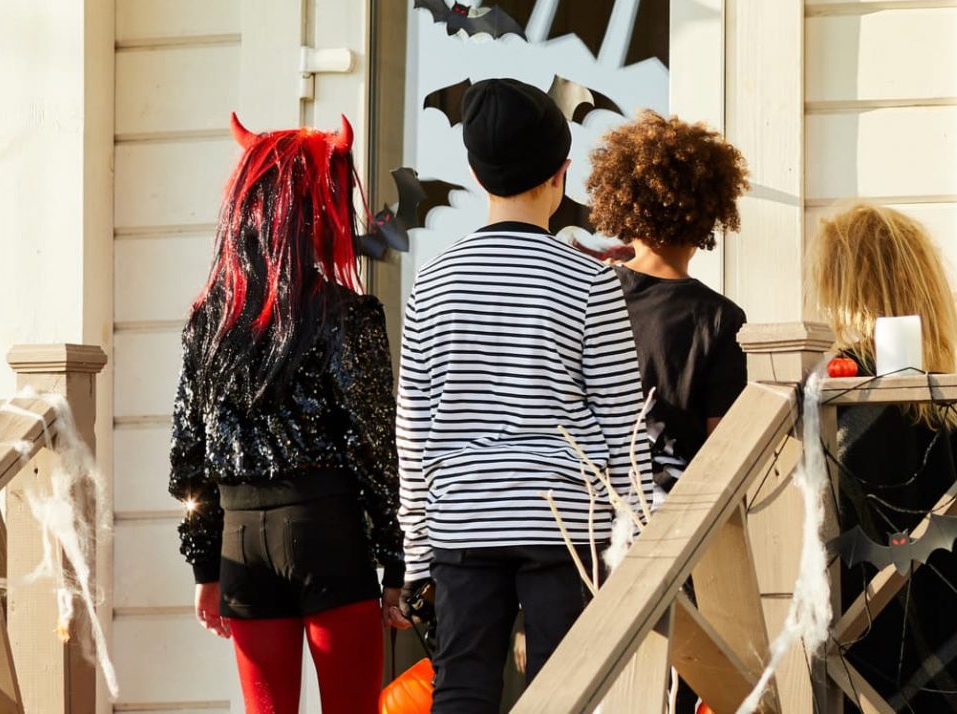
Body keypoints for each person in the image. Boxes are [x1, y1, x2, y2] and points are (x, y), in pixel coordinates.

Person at [398, 78, 649, 714]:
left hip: (463, 520)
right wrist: (636, 539)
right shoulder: (590, 282)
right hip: (562, 524)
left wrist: (416, 556)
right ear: (561, 174)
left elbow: (415, 435)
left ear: (476, 176)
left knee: (461, 686)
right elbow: (624, 427)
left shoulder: (431, 285)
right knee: (561, 688)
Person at [169, 115, 408, 714]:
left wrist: (206, 562)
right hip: (327, 529)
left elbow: (188, 452)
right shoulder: (346, 317)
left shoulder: (210, 322)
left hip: (240, 537)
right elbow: (374, 446)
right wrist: (395, 561)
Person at [811, 204, 957, 714]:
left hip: (854, 646)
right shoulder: (935, 407)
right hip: (924, 633)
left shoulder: (845, 393)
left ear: (844, 285)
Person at [584, 110, 753, 493]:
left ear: (626, 208)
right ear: (709, 214)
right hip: (676, 526)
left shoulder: (590, 295)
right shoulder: (721, 320)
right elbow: (722, 450)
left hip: (588, 518)